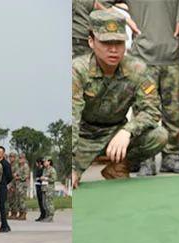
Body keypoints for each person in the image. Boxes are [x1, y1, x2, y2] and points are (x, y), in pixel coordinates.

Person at [71, 9, 166, 185]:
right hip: (85, 136)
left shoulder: (137, 69)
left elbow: (152, 110)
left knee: (159, 136)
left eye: (119, 42)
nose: (113, 50)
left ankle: (119, 166)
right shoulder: (78, 70)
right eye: (106, 43)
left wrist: (127, 131)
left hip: (116, 134)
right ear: (91, 42)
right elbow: (71, 118)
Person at [126, 0, 179, 175]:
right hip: (142, 58)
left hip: (173, 56)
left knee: (174, 112)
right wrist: (124, 17)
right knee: (143, 111)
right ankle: (146, 159)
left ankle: (171, 157)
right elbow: (98, 4)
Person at [0, 147, 12, 232]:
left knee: (2, 207)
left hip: (2, 187)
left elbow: (9, 177)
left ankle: (4, 225)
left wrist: (3, 183)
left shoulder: (5, 164)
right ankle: (5, 225)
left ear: (3, 154)